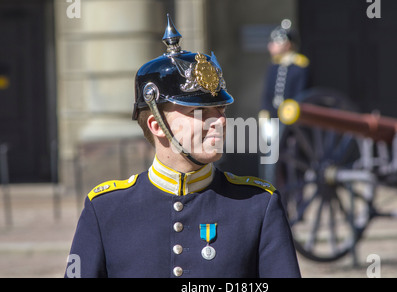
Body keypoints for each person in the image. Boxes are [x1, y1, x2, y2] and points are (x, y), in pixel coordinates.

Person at [64, 14, 301, 278]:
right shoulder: (105, 209)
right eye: (200, 111)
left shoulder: (258, 206)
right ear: (156, 126)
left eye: (221, 108)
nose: (220, 121)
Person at [258, 19, 310, 183]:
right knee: (269, 156)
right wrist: (265, 112)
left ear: (288, 44)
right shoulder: (274, 66)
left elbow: (300, 95)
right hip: (273, 118)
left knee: (290, 156)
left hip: (291, 120)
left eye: (276, 42)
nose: (272, 46)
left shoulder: (300, 66)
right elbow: (268, 92)